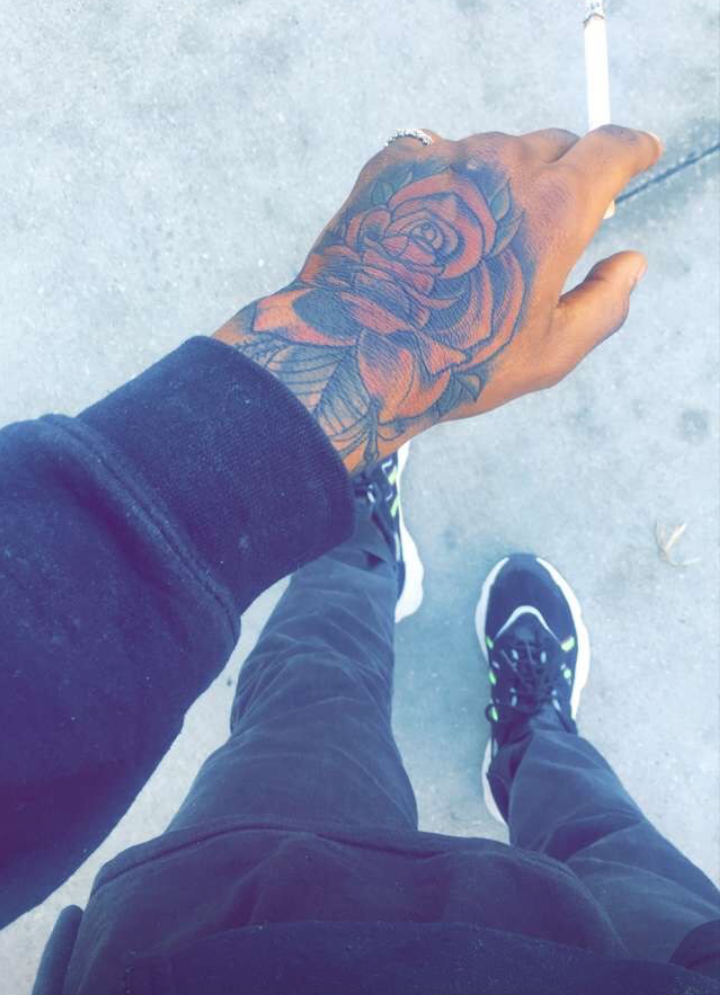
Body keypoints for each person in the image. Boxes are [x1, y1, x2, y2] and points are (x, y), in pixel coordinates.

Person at [2, 125, 717, 994]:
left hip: (223, 932)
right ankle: (535, 744)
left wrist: (262, 432)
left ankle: (353, 546)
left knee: (311, 689)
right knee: (604, 835)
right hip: (657, 962)